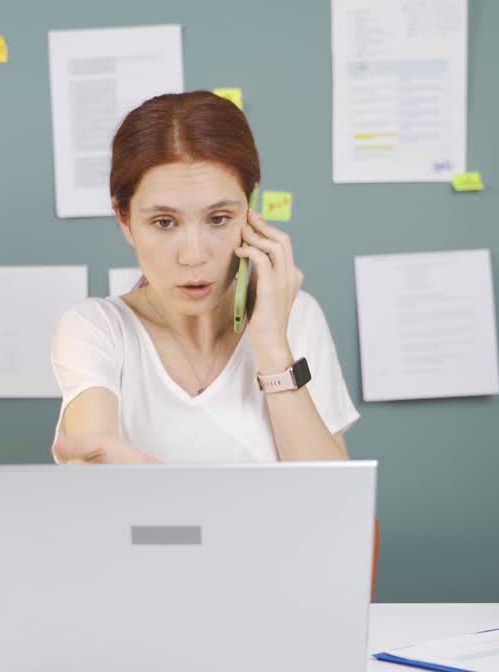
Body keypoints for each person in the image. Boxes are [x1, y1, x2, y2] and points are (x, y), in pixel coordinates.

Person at [50, 90, 359, 464]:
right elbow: (96, 477)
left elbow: (331, 502)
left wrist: (273, 347)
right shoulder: (97, 329)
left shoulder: (296, 315)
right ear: (124, 219)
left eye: (218, 219)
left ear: (250, 211)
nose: (194, 256)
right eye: (164, 223)